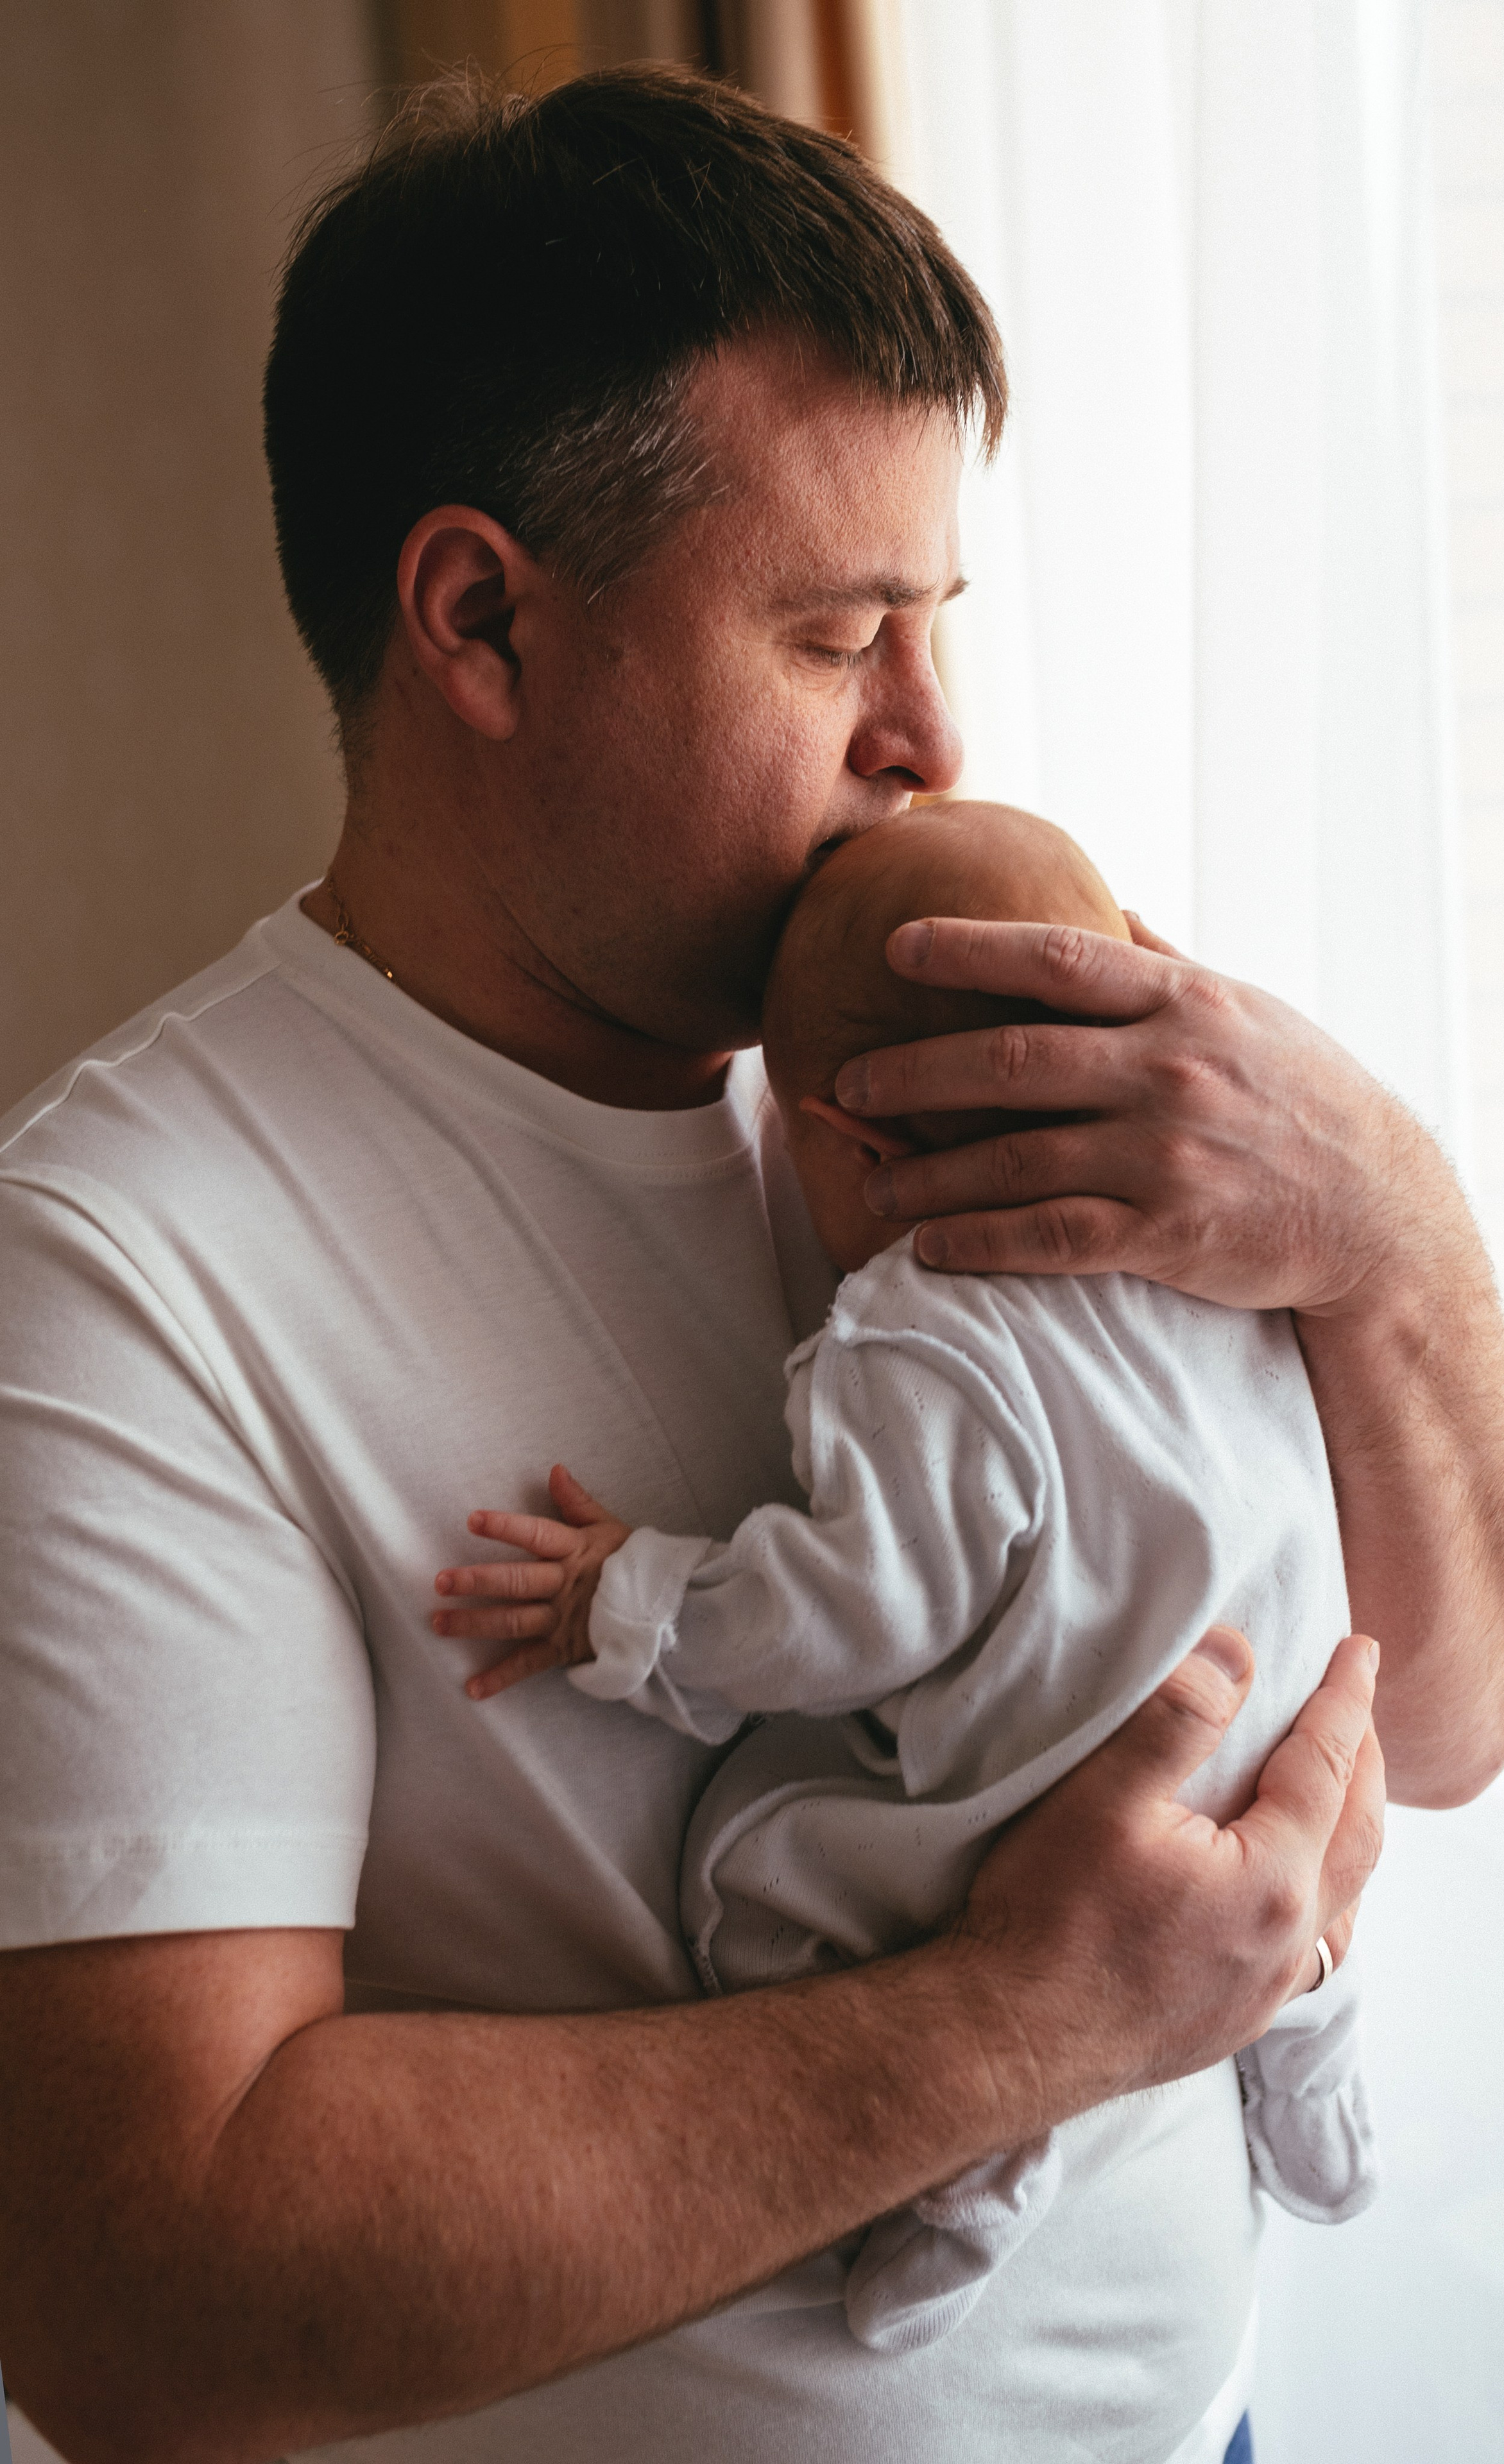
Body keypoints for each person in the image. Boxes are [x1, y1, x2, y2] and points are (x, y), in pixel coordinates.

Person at [0, 66, 1504, 2464]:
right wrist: (1029, 2025)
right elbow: (146, 2291)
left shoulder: (970, 1023)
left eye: (941, 622)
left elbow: (1448, 1722)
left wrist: (1392, 1227)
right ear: (481, 621)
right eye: (840, 638)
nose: (932, 741)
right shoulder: (126, 1272)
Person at [432, 801, 1381, 2362]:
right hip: (1284, 1754)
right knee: (1283, 1889)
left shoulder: (925, 1329)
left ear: (850, 1143)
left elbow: (852, 1614)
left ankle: (977, 2160)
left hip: (1075, 1807)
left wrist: (630, 1599)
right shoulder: (1214, 1241)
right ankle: (1315, 2039)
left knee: (770, 1875)